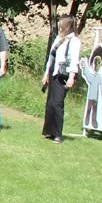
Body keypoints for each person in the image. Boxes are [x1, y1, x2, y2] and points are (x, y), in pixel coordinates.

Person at [42, 15, 82, 143]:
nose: (59, 26)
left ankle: (58, 134)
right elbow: (51, 57)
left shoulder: (74, 41)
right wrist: (46, 75)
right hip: (53, 72)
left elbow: (74, 60)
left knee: (58, 103)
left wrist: (71, 77)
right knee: (51, 103)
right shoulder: (59, 39)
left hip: (63, 74)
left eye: (61, 24)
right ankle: (50, 131)